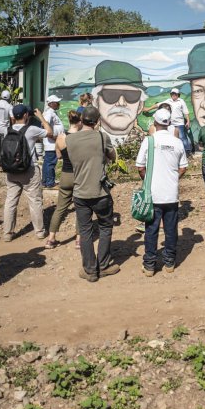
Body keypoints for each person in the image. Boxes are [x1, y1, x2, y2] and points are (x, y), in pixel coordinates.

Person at [67, 106, 120, 282]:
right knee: (105, 227)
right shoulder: (102, 137)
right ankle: (103, 265)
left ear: (82, 120)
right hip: (100, 192)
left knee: (85, 230)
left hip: (80, 192)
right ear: (98, 121)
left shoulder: (70, 140)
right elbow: (112, 156)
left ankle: (89, 270)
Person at [136, 107, 187, 276]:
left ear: (155, 122)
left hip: (153, 194)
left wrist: (148, 180)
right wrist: (173, 178)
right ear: (169, 123)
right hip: (171, 194)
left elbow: (140, 167)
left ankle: (150, 265)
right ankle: (170, 262)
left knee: (151, 229)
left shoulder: (149, 141)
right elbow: (183, 167)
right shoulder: (177, 142)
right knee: (171, 229)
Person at [2, 104, 52, 241]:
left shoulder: (7, 131)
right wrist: (40, 117)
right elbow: (50, 132)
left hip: (11, 170)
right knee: (35, 201)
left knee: (10, 201)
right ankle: (40, 232)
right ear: (25, 115)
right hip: (29, 170)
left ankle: (7, 234)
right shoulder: (32, 129)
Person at [45, 109, 82, 248]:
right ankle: (79, 239)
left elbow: (59, 156)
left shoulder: (61, 137)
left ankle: (51, 238)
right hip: (79, 175)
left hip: (66, 175)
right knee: (81, 208)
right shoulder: (81, 137)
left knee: (60, 208)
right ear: (80, 122)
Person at [92, 60, 147, 145]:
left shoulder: (148, 144)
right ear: (96, 102)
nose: (121, 103)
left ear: (140, 106)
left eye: (131, 95)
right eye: (111, 94)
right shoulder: (84, 141)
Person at [147, 88, 192, 156]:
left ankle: (187, 152)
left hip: (179, 123)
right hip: (170, 124)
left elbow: (186, 112)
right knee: (172, 138)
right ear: (171, 94)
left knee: (183, 138)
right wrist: (148, 109)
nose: (174, 95)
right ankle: (174, 152)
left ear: (178, 95)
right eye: (172, 94)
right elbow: (158, 105)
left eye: (175, 94)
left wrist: (188, 121)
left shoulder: (181, 101)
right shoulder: (168, 101)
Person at [41, 94, 65, 190]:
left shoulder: (52, 112)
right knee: (50, 163)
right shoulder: (49, 113)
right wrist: (53, 137)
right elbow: (45, 124)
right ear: (51, 104)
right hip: (51, 143)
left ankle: (46, 181)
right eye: (56, 102)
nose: (58, 103)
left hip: (52, 142)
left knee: (48, 162)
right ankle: (50, 182)